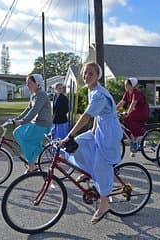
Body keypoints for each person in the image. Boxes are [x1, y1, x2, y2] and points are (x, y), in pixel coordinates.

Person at [61, 62, 122, 224]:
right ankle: (89, 171)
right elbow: (97, 115)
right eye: (85, 73)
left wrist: (69, 135)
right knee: (79, 144)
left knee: (101, 166)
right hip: (100, 128)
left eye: (91, 74)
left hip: (109, 133)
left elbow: (87, 115)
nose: (86, 76)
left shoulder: (99, 94)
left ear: (97, 76)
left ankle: (104, 205)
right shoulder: (91, 90)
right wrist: (93, 129)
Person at [12, 74, 52, 172]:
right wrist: (16, 118)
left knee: (23, 137)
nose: (27, 85)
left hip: (43, 124)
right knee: (17, 133)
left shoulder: (41, 94)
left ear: (37, 83)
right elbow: (28, 109)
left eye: (30, 83)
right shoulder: (34, 94)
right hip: (36, 123)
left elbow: (34, 110)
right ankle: (33, 157)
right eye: (27, 83)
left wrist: (22, 122)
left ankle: (31, 164)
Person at [116, 77, 149, 157]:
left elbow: (133, 103)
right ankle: (133, 140)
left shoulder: (136, 92)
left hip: (142, 111)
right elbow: (122, 103)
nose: (125, 86)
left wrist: (127, 112)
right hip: (135, 111)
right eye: (125, 85)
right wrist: (112, 110)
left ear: (132, 86)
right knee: (125, 123)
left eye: (127, 85)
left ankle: (142, 134)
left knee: (127, 119)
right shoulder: (127, 93)